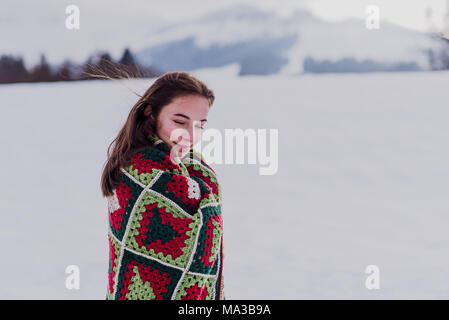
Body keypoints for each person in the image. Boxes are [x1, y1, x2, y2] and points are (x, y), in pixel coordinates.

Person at [100, 71, 225, 300]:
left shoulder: (192, 167)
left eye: (200, 126)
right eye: (179, 121)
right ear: (151, 113)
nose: (190, 135)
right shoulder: (136, 171)